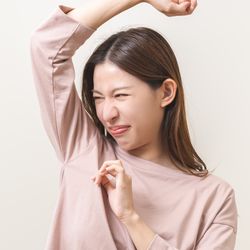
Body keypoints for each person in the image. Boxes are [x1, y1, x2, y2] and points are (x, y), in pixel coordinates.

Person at [30, 0, 238, 249]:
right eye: (98, 98)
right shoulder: (83, 149)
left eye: (120, 95)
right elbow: (46, 47)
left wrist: (131, 217)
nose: (107, 113)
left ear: (166, 92)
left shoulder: (214, 199)